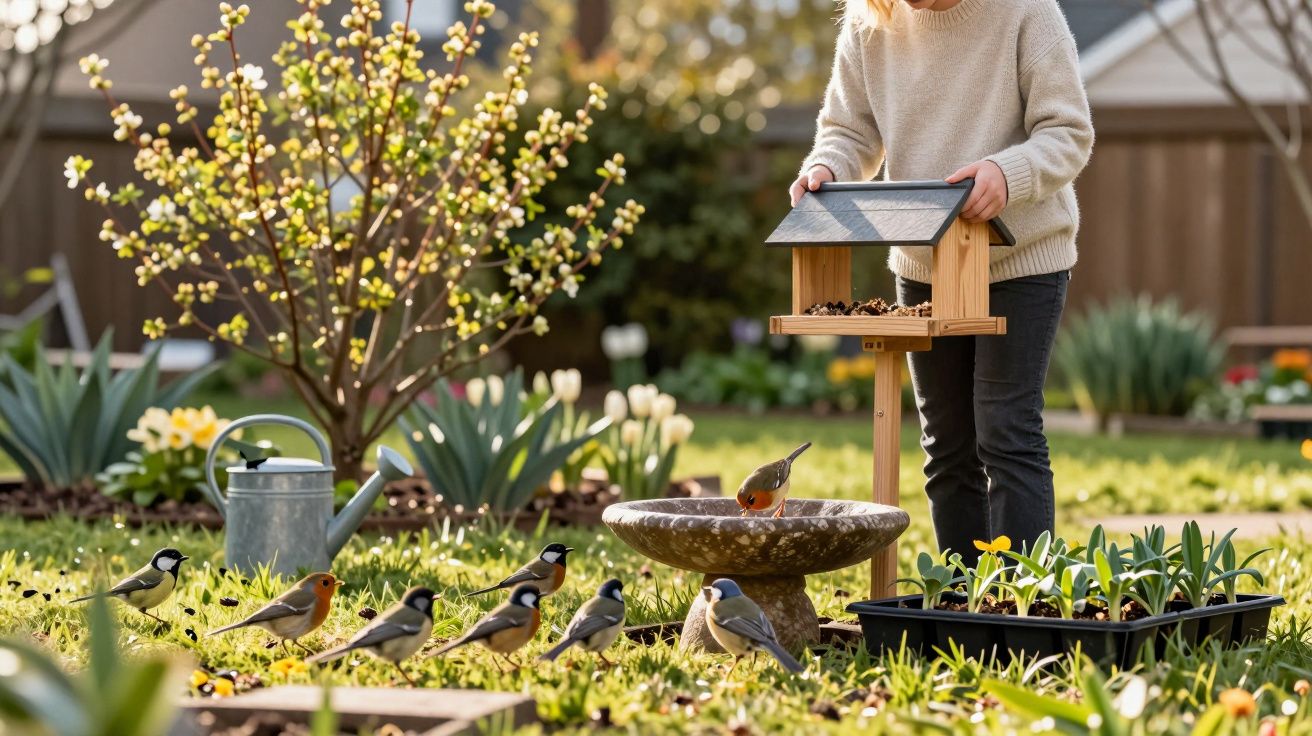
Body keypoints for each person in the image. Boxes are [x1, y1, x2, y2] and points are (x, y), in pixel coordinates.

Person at [790, 0, 1094, 564]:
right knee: (948, 445)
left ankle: (1019, 598)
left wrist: (1007, 173)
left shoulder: (1026, 12)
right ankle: (960, 597)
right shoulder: (870, 19)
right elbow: (848, 132)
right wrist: (826, 169)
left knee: (1005, 433)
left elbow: (1068, 132)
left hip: (1021, 259)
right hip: (924, 262)